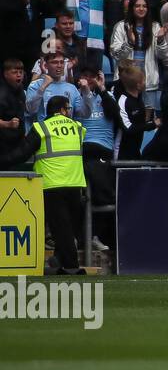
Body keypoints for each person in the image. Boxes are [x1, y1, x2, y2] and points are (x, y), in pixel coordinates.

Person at [24, 95, 87, 274]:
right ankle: (71, 266)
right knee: (69, 227)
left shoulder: (41, 127)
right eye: (68, 109)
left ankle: (65, 263)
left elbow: (23, 151)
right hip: (75, 183)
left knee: (62, 227)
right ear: (61, 110)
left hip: (51, 184)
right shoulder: (77, 127)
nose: (69, 112)